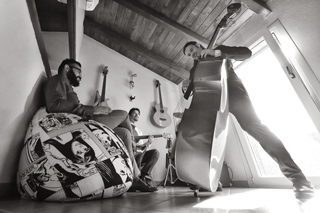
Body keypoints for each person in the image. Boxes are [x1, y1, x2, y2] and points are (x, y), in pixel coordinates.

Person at [182, 41, 315, 199]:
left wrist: (216, 53)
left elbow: (246, 53)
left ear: (197, 45)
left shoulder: (218, 51)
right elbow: (195, 90)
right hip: (212, 105)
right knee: (204, 141)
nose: (192, 54)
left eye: (192, 50)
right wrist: (188, 87)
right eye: (189, 55)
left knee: (257, 130)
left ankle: (299, 179)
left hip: (235, 97)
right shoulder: (194, 69)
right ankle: (209, 181)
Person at [43, 58, 155, 192]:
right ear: (67, 68)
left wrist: (92, 109)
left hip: (86, 122)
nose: (81, 76)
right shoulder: (57, 80)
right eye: (78, 71)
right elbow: (54, 105)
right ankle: (134, 149)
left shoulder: (67, 86)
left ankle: (135, 179)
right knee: (125, 114)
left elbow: (71, 106)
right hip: (84, 125)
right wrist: (93, 110)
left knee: (125, 134)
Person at [128, 108, 160, 191]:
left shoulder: (139, 132)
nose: (137, 115)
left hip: (138, 155)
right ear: (129, 115)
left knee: (155, 153)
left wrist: (148, 143)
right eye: (134, 113)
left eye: (138, 114)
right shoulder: (125, 128)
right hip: (129, 155)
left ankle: (143, 177)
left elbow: (141, 147)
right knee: (140, 152)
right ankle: (136, 181)